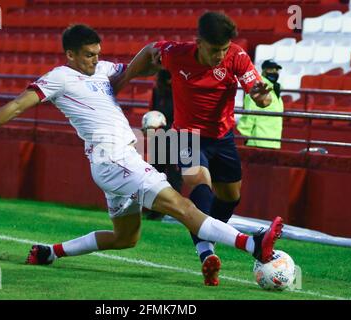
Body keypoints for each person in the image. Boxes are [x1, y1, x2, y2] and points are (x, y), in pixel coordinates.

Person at [0, 25, 283, 285]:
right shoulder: (59, 77)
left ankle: (49, 252)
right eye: (88, 54)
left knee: (125, 238)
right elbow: (16, 105)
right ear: (71, 54)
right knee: (183, 207)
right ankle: (253, 245)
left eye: (97, 53)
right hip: (115, 159)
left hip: (115, 162)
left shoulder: (103, 71)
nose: (95, 59)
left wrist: (170, 63)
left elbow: (142, 65)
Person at [116, 12, 275, 286]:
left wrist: (262, 97)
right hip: (185, 135)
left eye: (224, 49)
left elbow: (259, 94)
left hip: (222, 137)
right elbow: (150, 49)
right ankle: (205, 253)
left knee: (230, 197)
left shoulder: (236, 56)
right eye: (215, 50)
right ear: (199, 42)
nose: (220, 55)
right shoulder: (177, 54)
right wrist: (124, 78)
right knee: (200, 184)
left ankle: (207, 235)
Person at [144, 69, 183, 220]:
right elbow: (153, 112)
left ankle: (174, 212)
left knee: (175, 176)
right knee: (156, 174)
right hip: (160, 136)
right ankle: (156, 210)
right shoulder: (157, 91)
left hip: (179, 135)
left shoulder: (181, 91)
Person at [237, 59, 284, 149]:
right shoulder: (258, 88)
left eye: (276, 70)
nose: (274, 72)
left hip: (274, 141)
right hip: (257, 142)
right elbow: (249, 113)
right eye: (270, 69)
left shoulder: (275, 89)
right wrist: (245, 135)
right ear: (263, 71)